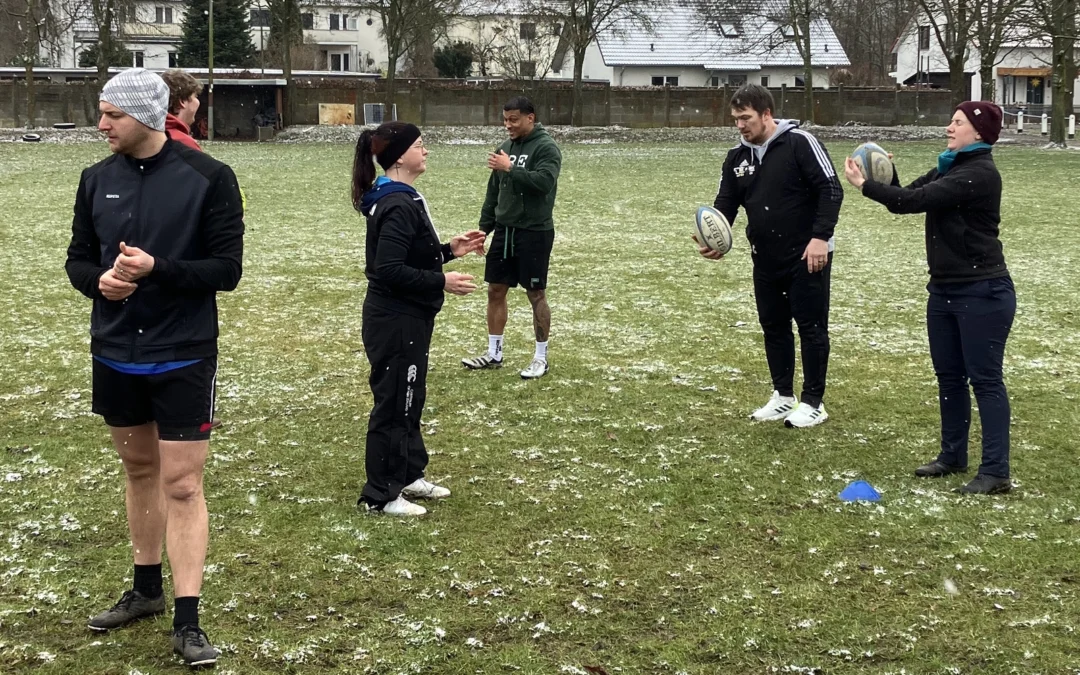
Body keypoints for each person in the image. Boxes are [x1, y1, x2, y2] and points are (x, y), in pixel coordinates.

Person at [64, 68, 244, 666]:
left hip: (184, 353)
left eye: (111, 113)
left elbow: (227, 271)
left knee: (183, 484)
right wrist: (102, 285)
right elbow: (78, 262)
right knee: (138, 470)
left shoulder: (210, 178)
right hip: (116, 351)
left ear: (144, 114)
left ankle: (189, 619)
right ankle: (145, 591)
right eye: (101, 112)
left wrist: (157, 270)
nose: (101, 123)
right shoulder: (94, 180)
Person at [844, 101, 1014, 495]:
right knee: (949, 377)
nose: (949, 128)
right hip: (944, 290)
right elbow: (904, 196)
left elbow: (913, 202)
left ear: (979, 132)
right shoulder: (950, 166)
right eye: (951, 121)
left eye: (957, 123)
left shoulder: (978, 174)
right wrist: (883, 174)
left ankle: (995, 471)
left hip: (983, 291)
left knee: (985, 381)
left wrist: (864, 185)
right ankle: (952, 456)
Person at [353, 122, 486, 516]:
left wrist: (448, 250)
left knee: (410, 397)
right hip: (396, 320)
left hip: (407, 317)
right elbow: (387, 269)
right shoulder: (395, 202)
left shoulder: (398, 197)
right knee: (396, 401)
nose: (426, 151)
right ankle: (380, 494)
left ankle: (408, 474)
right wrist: (441, 280)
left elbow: (407, 257)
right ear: (399, 156)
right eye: (420, 145)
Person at [698, 84, 844, 428]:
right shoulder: (737, 158)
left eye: (745, 118)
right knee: (773, 326)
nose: (740, 125)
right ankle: (783, 396)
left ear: (766, 114)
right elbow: (726, 204)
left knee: (811, 328)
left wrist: (820, 238)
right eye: (735, 119)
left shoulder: (800, 143)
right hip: (764, 255)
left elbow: (831, 190)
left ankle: (813, 402)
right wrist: (717, 238)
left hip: (808, 255)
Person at [462, 96, 562, 380]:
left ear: (531, 117)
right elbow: (493, 192)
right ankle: (494, 353)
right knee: (495, 290)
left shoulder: (546, 147)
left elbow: (543, 184)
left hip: (534, 231)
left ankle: (541, 357)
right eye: (505, 119)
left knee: (536, 294)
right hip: (504, 232)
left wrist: (511, 168)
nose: (508, 125)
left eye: (514, 119)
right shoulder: (504, 148)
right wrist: (483, 230)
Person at [160, 69, 202, 151]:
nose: (197, 102)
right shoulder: (185, 145)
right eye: (195, 96)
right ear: (182, 101)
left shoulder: (148, 136)